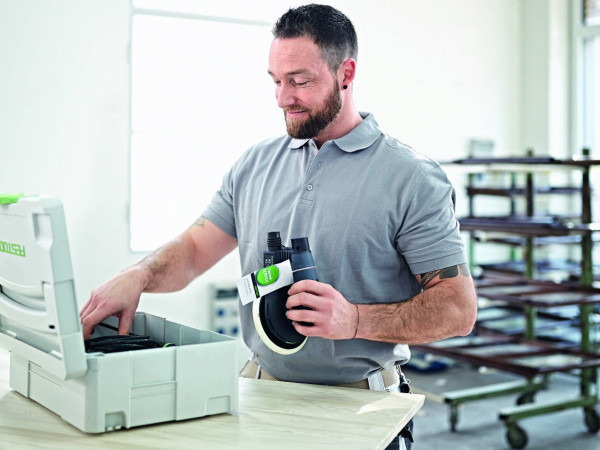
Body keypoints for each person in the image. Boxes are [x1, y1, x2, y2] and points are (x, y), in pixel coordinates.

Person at [80, 4, 477, 449]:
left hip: (360, 405)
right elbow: (194, 250)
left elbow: (457, 310)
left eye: (300, 81)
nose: (283, 98)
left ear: (346, 74)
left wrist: (354, 319)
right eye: (276, 81)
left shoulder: (412, 178)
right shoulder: (254, 165)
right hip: (260, 392)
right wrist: (139, 275)